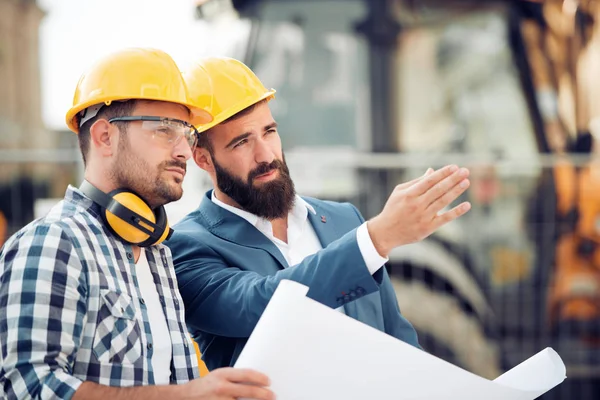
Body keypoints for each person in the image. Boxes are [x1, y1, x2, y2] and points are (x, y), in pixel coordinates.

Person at [165, 57, 472, 371]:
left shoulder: (343, 220)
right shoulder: (186, 246)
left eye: (269, 132)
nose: (266, 155)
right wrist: (375, 239)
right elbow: (261, 303)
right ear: (202, 159)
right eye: (242, 142)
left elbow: (397, 339)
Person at [0, 49, 273, 400]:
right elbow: (27, 386)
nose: (185, 152)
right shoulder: (53, 242)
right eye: (164, 130)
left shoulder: (157, 252)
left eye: (186, 134)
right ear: (104, 137)